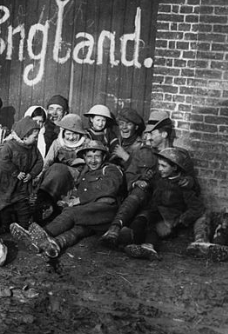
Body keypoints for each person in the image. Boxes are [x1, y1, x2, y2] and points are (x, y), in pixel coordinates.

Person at [11, 140, 125, 258]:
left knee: (70, 214)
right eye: (89, 157)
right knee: (77, 230)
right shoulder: (85, 175)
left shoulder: (111, 169)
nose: (93, 160)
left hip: (106, 210)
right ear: (84, 158)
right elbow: (80, 193)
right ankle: (52, 245)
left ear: (104, 157)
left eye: (97, 156)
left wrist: (78, 201)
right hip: (91, 216)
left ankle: (39, 234)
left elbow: (109, 188)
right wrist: (68, 201)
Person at [99, 110, 195, 248]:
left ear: (164, 134)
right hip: (144, 202)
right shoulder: (143, 153)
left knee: (145, 224)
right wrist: (135, 182)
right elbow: (130, 174)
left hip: (167, 208)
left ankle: (131, 238)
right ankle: (114, 229)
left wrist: (188, 182)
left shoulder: (181, 155)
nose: (148, 137)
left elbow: (194, 187)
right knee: (140, 190)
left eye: (152, 133)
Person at [122, 147, 204, 260]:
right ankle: (133, 244)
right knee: (139, 222)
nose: (159, 169)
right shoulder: (158, 178)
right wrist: (143, 180)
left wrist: (179, 221)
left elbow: (197, 208)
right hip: (153, 212)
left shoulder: (183, 185)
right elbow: (147, 183)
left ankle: (149, 247)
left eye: (164, 166)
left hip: (168, 219)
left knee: (155, 229)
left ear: (175, 167)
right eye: (159, 165)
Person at [0, 117, 43, 231]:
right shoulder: (9, 146)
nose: (36, 139)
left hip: (22, 184)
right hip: (7, 183)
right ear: (25, 136)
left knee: (23, 206)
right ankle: (5, 226)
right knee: (5, 205)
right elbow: (3, 161)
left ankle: (24, 227)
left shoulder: (33, 148)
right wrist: (15, 172)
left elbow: (39, 161)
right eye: (35, 137)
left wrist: (31, 174)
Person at [35, 113, 89, 208]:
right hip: (58, 176)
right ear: (63, 133)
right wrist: (39, 177)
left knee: (58, 168)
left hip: (78, 176)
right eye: (68, 134)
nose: (71, 137)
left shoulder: (87, 144)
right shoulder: (57, 143)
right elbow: (48, 161)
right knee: (55, 168)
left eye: (75, 134)